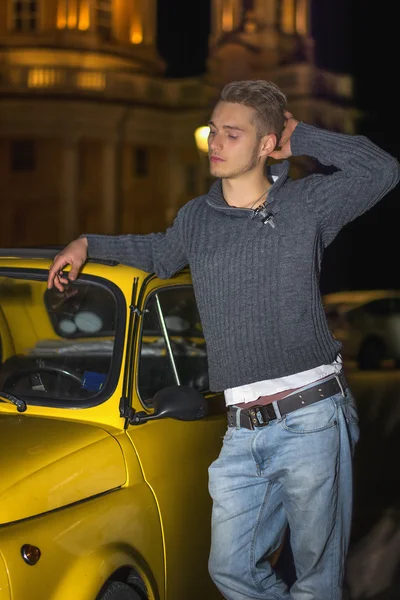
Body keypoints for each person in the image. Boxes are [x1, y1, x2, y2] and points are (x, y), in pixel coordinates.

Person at [47, 80, 400, 600]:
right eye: (214, 130)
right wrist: (86, 243)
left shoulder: (306, 206)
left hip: (312, 419)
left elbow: (382, 171)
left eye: (231, 134)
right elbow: (158, 251)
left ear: (264, 145)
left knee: (316, 586)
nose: (214, 141)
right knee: (232, 571)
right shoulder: (196, 219)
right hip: (241, 431)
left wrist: (301, 136)